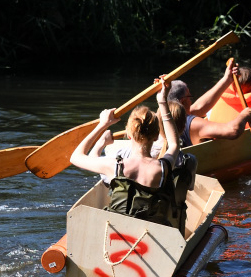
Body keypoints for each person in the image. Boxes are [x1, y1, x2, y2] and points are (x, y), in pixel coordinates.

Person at [68, 88, 194, 231]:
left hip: (116, 234)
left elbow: (76, 157)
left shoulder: (113, 166)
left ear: (129, 134)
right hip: (151, 237)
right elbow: (174, 143)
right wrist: (162, 102)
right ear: (155, 136)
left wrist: (103, 125)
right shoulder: (163, 167)